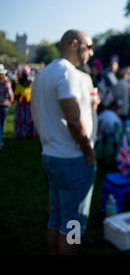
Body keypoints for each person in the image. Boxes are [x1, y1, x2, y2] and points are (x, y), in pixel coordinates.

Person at [31, 29, 97, 255]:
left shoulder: (44, 74)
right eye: (88, 46)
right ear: (72, 43)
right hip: (72, 158)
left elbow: (39, 114)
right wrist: (88, 151)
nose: (91, 52)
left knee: (57, 218)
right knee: (73, 224)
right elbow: (73, 119)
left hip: (50, 154)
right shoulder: (67, 73)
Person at [14, 65, 35, 139]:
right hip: (21, 105)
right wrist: (20, 96)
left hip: (29, 105)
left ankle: (31, 133)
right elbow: (16, 96)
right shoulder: (19, 84)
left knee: (31, 120)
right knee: (21, 121)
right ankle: (22, 134)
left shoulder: (31, 83)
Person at [0, 64, 14, 150]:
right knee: (1, 125)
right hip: (4, 105)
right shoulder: (6, 83)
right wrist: (10, 101)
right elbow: (10, 95)